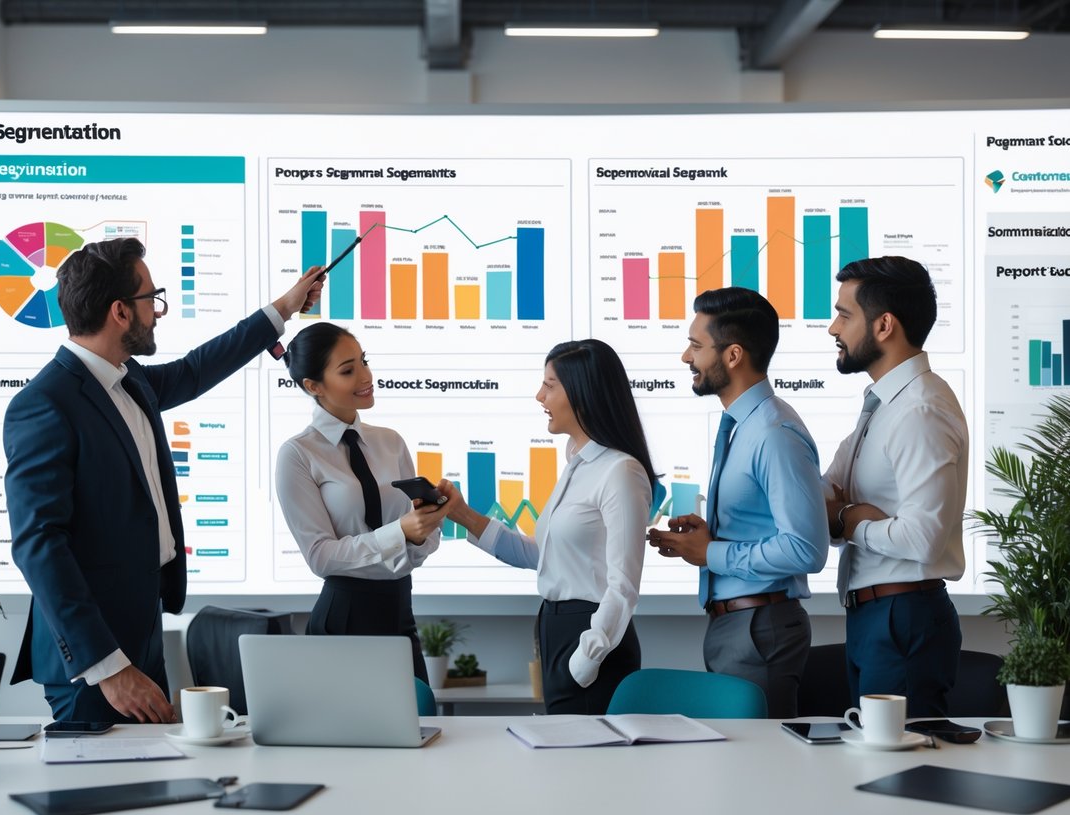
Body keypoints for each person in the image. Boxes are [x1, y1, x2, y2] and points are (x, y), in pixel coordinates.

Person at [4, 237, 322, 723]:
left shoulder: (130, 381)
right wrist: (108, 667)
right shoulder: (46, 404)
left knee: (151, 786)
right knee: (95, 796)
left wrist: (284, 307)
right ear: (120, 312)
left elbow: (197, 369)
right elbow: (39, 544)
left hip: (143, 634)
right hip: (96, 664)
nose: (159, 310)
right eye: (152, 298)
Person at [439, 340, 655, 715]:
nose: (540, 395)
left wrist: (585, 660)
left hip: (591, 641)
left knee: (590, 765)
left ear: (583, 393)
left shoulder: (620, 472)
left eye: (550, 385)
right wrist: (462, 515)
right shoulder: (576, 464)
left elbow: (623, 586)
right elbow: (541, 555)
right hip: (556, 632)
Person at [649, 287, 827, 719]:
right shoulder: (741, 426)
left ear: (732, 356)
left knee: (759, 774)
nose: (685, 358)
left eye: (696, 346)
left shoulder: (772, 433)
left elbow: (807, 549)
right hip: (738, 626)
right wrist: (708, 538)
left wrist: (711, 552)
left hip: (759, 629)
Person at [823, 256, 968, 717]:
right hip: (875, 615)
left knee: (903, 777)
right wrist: (845, 515)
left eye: (845, 315)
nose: (833, 328)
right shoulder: (883, 404)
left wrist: (851, 522)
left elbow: (923, 538)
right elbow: (827, 494)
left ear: (884, 325)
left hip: (903, 616)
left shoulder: (920, 411)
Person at [275, 322, 448, 683]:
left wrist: (419, 534)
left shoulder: (390, 442)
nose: (366, 376)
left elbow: (414, 546)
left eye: (364, 361)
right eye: (348, 370)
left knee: (415, 724)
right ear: (313, 386)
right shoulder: (298, 454)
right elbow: (321, 556)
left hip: (400, 610)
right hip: (344, 617)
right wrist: (398, 531)